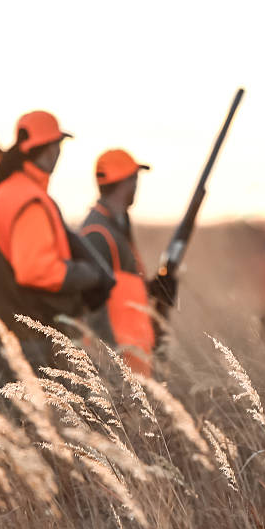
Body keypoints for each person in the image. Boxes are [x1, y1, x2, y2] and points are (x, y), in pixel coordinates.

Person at [0, 111, 112, 397]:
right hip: (17, 332)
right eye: (56, 145)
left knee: (6, 429)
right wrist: (88, 275)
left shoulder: (3, 191)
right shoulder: (28, 200)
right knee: (33, 432)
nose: (58, 152)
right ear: (47, 148)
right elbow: (36, 270)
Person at [81, 149, 175, 376]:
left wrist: (154, 289)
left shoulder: (116, 225)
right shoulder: (98, 232)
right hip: (115, 364)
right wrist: (109, 362)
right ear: (127, 182)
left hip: (132, 360)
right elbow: (91, 304)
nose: (137, 186)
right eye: (135, 179)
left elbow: (120, 290)